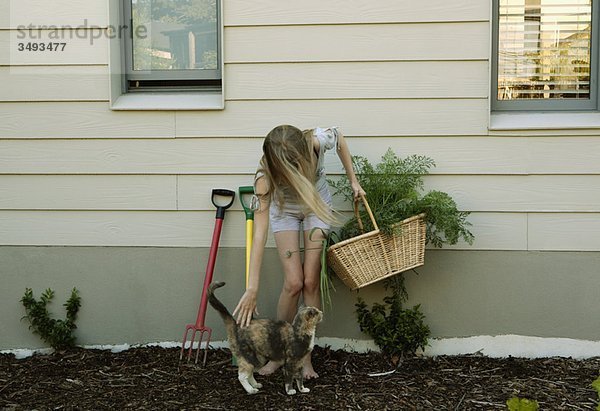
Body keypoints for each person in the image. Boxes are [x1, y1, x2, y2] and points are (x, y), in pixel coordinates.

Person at [232, 124, 365, 379]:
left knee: (310, 281)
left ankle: (305, 359)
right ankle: (279, 355)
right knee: (293, 283)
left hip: (316, 205)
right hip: (286, 211)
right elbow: (259, 235)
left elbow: (340, 138)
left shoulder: (316, 141)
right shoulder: (264, 179)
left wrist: (354, 181)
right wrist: (252, 288)